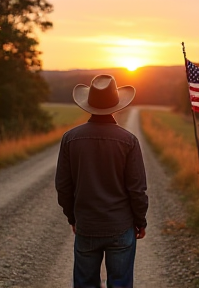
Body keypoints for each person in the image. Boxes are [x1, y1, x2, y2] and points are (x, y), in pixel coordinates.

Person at [55, 74, 148, 288]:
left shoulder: (70, 139)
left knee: (85, 284)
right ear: (116, 106)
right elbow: (137, 190)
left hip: (86, 225)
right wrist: (140, 221)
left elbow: (63, 187)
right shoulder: (129, 141)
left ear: (88, 104)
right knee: (120, 284)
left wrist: (73, 218)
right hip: (121, 226)